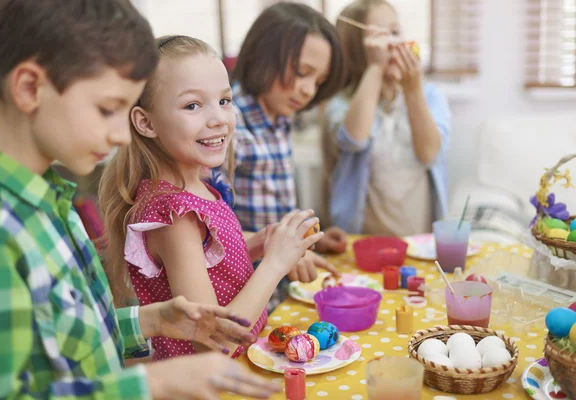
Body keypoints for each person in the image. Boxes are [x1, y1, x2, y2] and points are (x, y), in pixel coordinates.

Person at [0, 1, 279, 399]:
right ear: (30, 88)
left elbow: (65, 336)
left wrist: (152, 321)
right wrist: (155, 382)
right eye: (107, 109)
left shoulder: (50, 198)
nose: (123, 135)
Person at [98, 35, 323, 360]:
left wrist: (260, 243)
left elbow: (208, 266)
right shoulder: (173, 215)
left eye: (224, 100)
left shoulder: (199, 186)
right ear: (145, 123)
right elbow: (215, 339)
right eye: (193, 105)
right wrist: (275, 264)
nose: (218, 117)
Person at [227, 2, 349, 310]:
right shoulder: (230, 126)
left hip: (277, 292)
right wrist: (285, 249)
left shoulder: (279, 116)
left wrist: (308, 240)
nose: (309, 90)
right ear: (262, 56)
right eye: (302, 73)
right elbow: (209, 232)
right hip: (242, 296)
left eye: (318, 82)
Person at [322, 0, 451, 236]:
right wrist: (376, 69)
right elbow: (354, 139)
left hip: (418, 240)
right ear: (356, 49)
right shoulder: (341, 102)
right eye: (381, 37)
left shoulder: (430, 96)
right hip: (359, 241)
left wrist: (413, 90)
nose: (394, 43)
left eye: (395, 32)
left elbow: (429, 154)